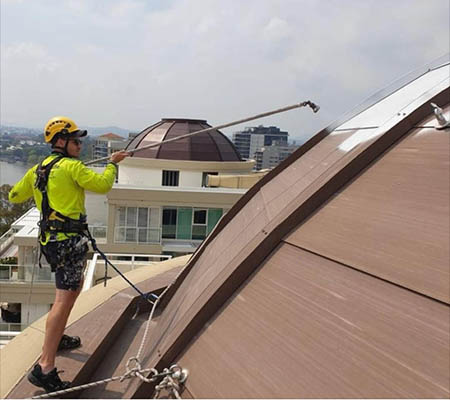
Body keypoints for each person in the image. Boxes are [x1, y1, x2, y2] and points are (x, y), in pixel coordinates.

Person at [8, 116, 130, 393]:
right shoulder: (72, 167)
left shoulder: (39, 169)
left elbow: (15, 195)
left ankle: (57, 337)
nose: (80, 145)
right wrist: (112, 164)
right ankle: (45, 366)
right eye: (76, 140)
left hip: (50, 241)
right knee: (65, 298)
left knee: (67, 293)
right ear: (61, 141)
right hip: (68, 242)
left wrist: (45, 186)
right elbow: (103, 186)